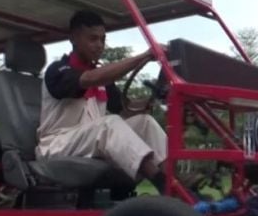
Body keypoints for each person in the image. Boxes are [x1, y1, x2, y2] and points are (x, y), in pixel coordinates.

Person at [36, 10, 169, 193]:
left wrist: (154, 96)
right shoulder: (58, 70)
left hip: (92, 140)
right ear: (74, 38)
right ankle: (162, 183)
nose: (99, 45)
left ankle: (178, 179)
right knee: (109, 124)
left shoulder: (102, 80)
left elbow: (126, 109)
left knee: (144, 122)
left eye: (102, 39)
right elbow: (89, 79)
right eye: (93, 39)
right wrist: (142, 57)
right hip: (58, 145)